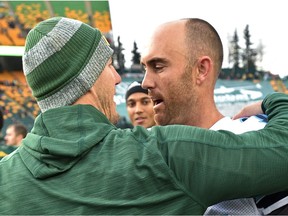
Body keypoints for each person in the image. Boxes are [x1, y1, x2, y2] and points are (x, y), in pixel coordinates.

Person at [1, 17, 288, 215]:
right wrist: (274, 101)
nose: (119, 78)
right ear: (87, 78)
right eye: (108, 66)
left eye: (158, 66)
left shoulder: (6, 178)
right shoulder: (163, 154)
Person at [141, 18, 287, 214]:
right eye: (144, 69)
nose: (145, 82)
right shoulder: (147, 155)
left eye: (158, 67)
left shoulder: (258, 140)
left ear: (201, 69)